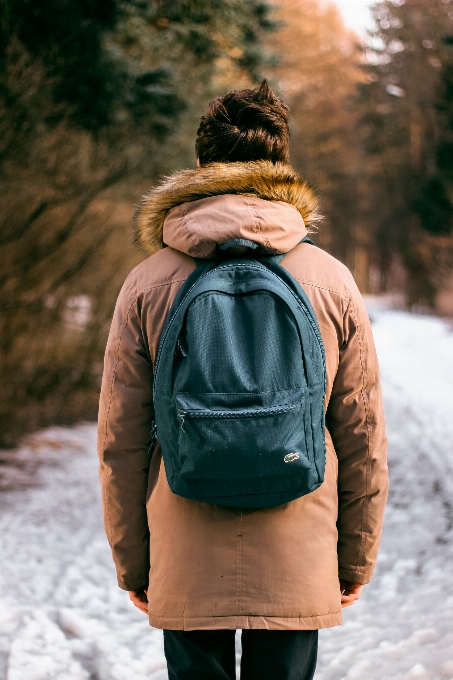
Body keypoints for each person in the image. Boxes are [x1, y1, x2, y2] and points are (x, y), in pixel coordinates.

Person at [98, 80, 388, 680]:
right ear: (281, 166)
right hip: (299, 547)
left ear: (201, 165)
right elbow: (361, 431)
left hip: (183, 546)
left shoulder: (149, 280)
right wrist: (353, 560)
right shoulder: (330, 279)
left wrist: (134, 563)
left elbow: (120, 438)